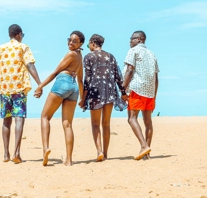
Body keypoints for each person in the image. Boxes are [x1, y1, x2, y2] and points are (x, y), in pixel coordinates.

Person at [0, 24, 42, 164]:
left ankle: (6, 154)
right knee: (19, 118)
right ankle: (16, 152)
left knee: (6, 120)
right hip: (19, 88)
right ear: (18, 34)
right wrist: (39, 83)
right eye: (22, 35)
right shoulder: (23, 47)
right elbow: (30, 65)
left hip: (4, 89)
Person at [34, 31, 85, 166]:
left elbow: (56, 72)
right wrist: (82, 97)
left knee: (45, 116)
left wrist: (40, 86)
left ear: (80, 43)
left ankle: (45, 148)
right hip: (73, 87)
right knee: (67, 124)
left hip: (63, 81)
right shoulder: (80, 56)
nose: (71, 43)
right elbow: (80, 80)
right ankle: (68, 160)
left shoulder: (71, 54)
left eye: (75, 41)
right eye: (70, 40)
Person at [81, 34, 127, 162]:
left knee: (95, 124)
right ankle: (105, 154)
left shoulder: (88, 57)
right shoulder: (110, 56)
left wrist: (83, 98)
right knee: (106, 124)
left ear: (93, 43)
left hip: (95, 92)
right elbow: (118, 76)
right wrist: (123, 92)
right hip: (110, 92)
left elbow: (87, 79)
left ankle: (99, 151)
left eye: (88, 44)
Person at [122, 30, 159, 160]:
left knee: (132, 118)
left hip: (137, 89)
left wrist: (123, 89)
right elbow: (156, 78)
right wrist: (154, 95)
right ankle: (146, 154)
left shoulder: (133, 51)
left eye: (132, 38)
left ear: (139, 39)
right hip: (150, 91)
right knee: (148, 122)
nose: (130, 41)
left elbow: (129, 70)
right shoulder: (152, 54)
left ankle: (144, 146)